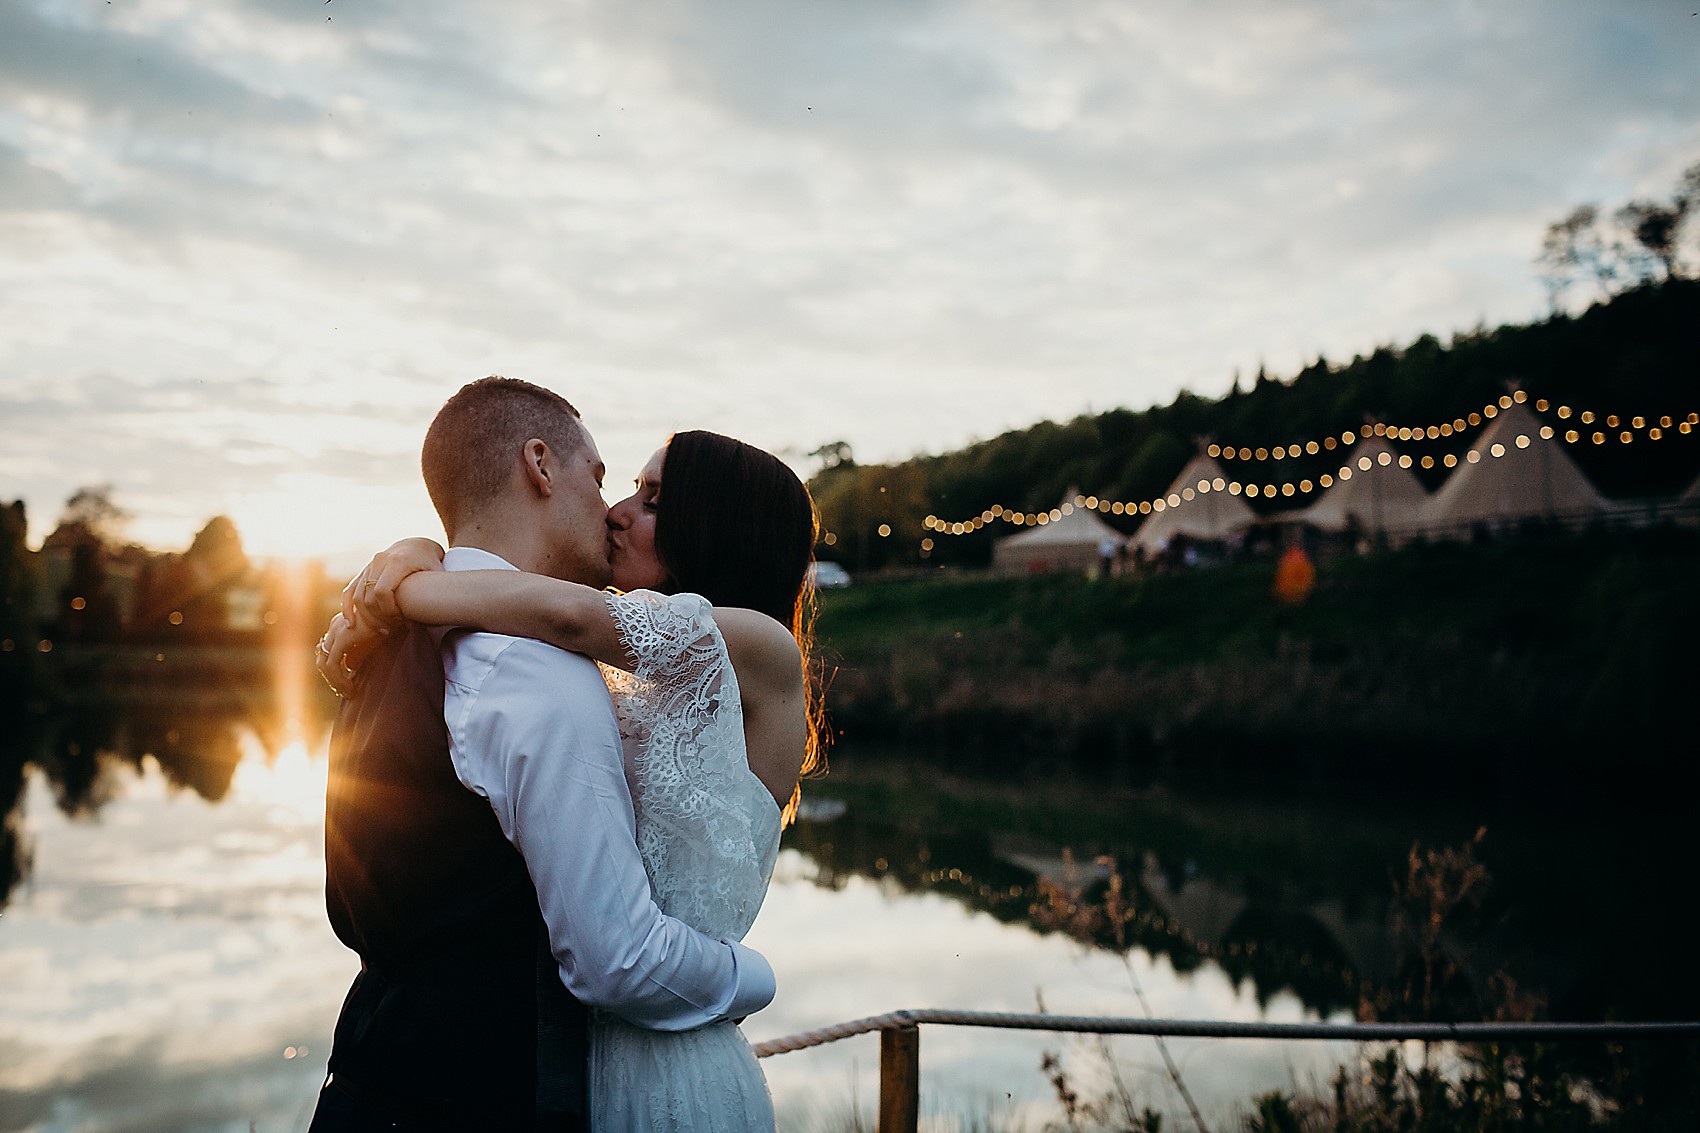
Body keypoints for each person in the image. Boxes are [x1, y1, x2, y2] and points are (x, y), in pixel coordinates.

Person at [320, 426, 824, 1132]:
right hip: (592, 1055)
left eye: (652, 498)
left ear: (717, 525)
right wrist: (417, 552)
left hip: (670, 1063)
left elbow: (564, 611)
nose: (618, 509)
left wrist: (398, 593)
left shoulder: (759, 646)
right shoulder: (642, 676)